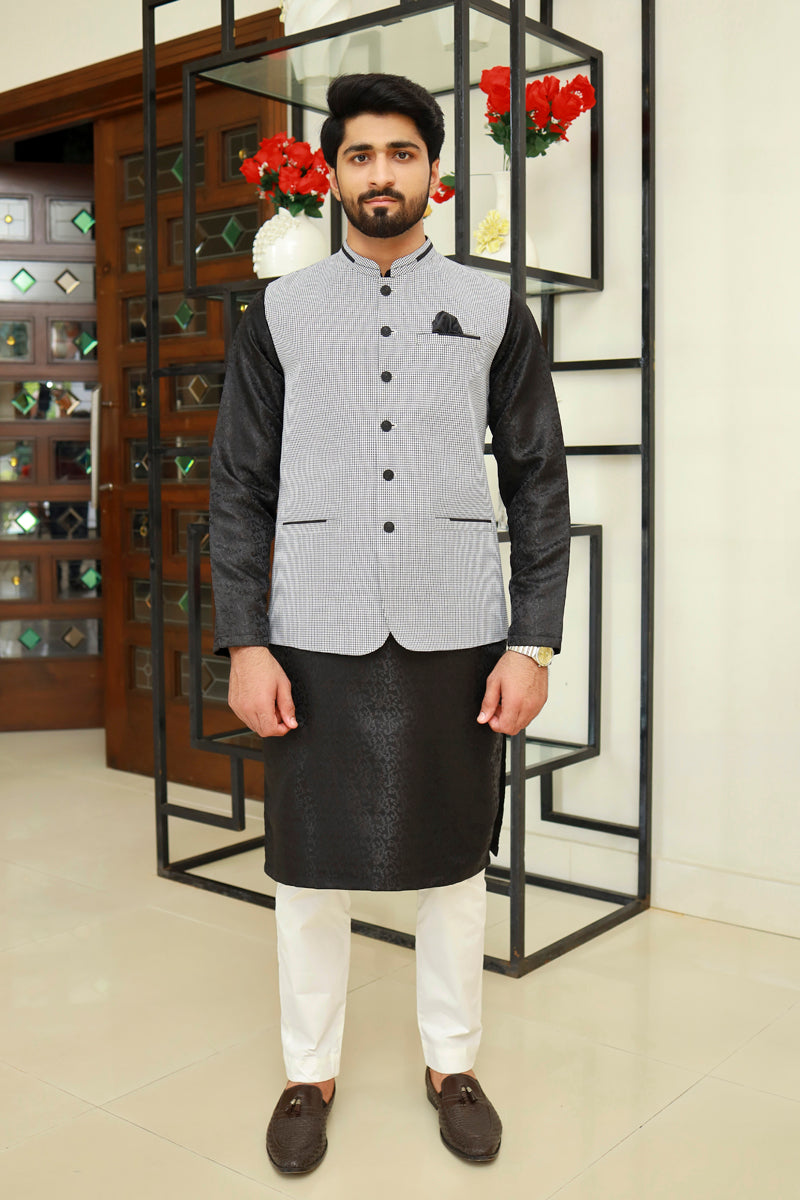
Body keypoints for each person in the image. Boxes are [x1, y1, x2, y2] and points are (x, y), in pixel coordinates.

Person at [210, 72, 570, 1175]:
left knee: (454, 864)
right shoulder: (276, 314)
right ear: (333, 173)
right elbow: (239, 487)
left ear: (433, 171)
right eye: (360, 154)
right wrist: (246, 642)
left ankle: (451, 1064)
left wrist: (531, 641)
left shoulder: (493, 307)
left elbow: (538, 482)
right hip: (311, 624)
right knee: (307, 869)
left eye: (401, 153)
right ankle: (307, 1072)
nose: (380, 173)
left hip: (455, 622)